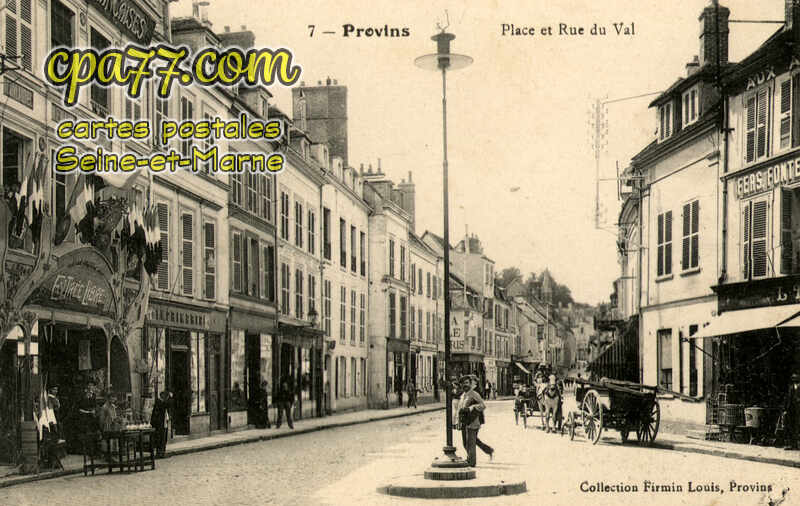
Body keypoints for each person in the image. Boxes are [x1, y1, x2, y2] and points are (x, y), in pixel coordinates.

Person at [454, 375, 493, 467]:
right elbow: (459, 410)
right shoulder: (463, 395)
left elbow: (483, 405)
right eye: (463, 383)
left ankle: (471, 462)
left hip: (473, 421)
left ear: (470, 384)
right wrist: (457, 422)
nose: (465, 385)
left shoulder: (474, 394)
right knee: (465, 443)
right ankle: (476, 455)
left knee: (471, 442)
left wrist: (472, 407)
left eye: (467, 383)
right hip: (464, 422)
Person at [150, 391, 171, 458]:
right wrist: (170, 397)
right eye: (166, 397)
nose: (166, 398)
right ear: (163, 397)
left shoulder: (162, 402)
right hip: (159, 424)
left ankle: (162, 452)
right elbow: (167, 404)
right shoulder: (159, 402)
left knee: (163, 439)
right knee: (160, 439)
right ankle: (159, 453)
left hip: (164, 423)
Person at [784, 373, 800, 450]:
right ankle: (793, 445)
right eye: (793, 378)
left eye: (795, 378)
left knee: (797, 427)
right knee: (791, 427)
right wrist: (786, 409)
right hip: (791, 410)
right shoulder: (790, 387)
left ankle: (797, 444)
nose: (794, 379)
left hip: (798, 410)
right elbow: (788, 399)